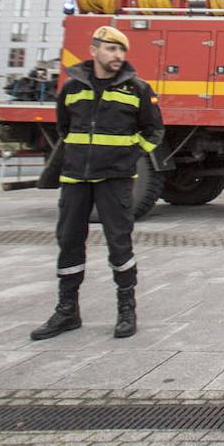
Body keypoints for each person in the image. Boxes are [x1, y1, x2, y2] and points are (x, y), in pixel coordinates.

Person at [30, 25, 163, 340]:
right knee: (69, 242)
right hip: (75, 178)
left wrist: (128, 158)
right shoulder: (72, 88)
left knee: (120, 244)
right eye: (111, 49)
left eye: (121, 51)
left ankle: (126, 311)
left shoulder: (137, 90)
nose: (117, 56)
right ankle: (66, 312)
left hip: (115, 179)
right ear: (94, 51)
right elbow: (65, 128)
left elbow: (154, 131)